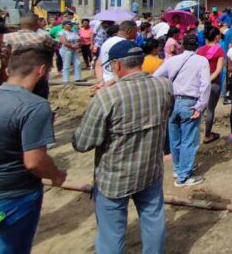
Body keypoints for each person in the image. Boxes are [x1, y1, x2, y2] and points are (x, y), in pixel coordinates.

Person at [72, 40, 173, 253]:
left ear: (117, 65)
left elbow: (82, 143)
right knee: (153, 221)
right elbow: (166, 115)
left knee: (111, 233)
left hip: (114, 177)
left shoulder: (107, 97)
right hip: (150, 169)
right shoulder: (164, 86)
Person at [0, 44, 67, 253]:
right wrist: (56, 175)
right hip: (15, 197)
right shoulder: (34, 106)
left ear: (8, 71)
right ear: (42, 71)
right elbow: (34, 161)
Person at [154, 33, 210, 187]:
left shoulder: (172, 61)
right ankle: (183, 177)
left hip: (173, 102)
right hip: (190, 102)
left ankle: (178, 169)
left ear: (183, 45)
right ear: (197, 45)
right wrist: (200, 106)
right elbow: (205, 85)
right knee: (189, 140)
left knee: (175, 139)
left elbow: (156, 76)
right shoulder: (201, 61)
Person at [197, 28, 225, 144]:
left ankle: (194, 134)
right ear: (216, 37)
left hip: (201, 83)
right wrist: (208, 81)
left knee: (199, 109)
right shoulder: (219, 51)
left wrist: (203, 81)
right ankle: (207, 135)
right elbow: (218, 70)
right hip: (214, 83)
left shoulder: (200, 50)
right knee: (210, 110)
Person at [95, 21, 137, 86]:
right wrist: (107, 85)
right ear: (130, 30)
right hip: (120, 83)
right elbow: (127, 69)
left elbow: (98, 65)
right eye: (135, 31)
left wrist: (101, 82)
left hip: (106, 81)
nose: (136, 34)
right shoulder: (127, 45)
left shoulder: (106, 42)